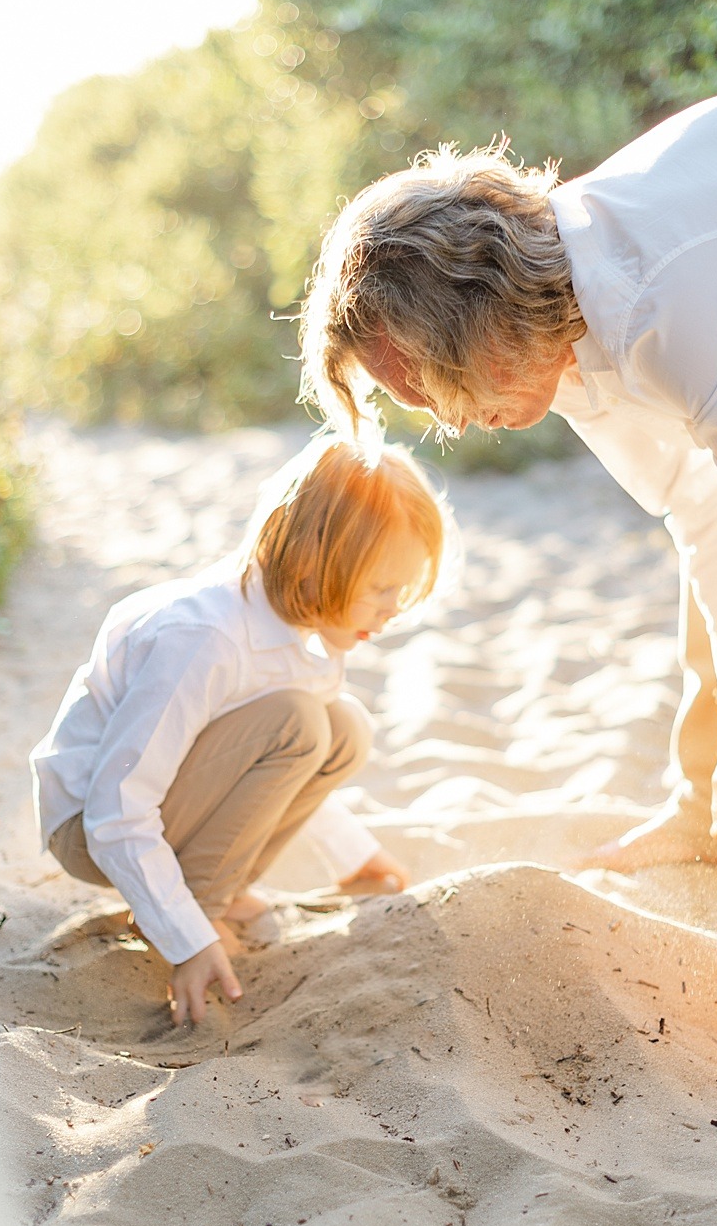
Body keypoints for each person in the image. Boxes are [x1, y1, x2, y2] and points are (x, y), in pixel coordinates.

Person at [298, 77, 717, 992]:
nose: (448, 424)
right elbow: (708, 504)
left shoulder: (671, 292)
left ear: (481, 321)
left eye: (426, 385)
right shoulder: (562, 315)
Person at [31, 435, 445, 1026]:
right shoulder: (204, 638)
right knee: (299, 723)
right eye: (382, 588)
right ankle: (191, 910)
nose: (394, 608)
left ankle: (206, 894)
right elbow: (115, 809)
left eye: (403, 591)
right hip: (89, 824)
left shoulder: (311, 633)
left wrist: (355, 858)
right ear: (314, 564)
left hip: (160, 806)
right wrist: (188, 936)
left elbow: (287, 771)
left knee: (343, 725)